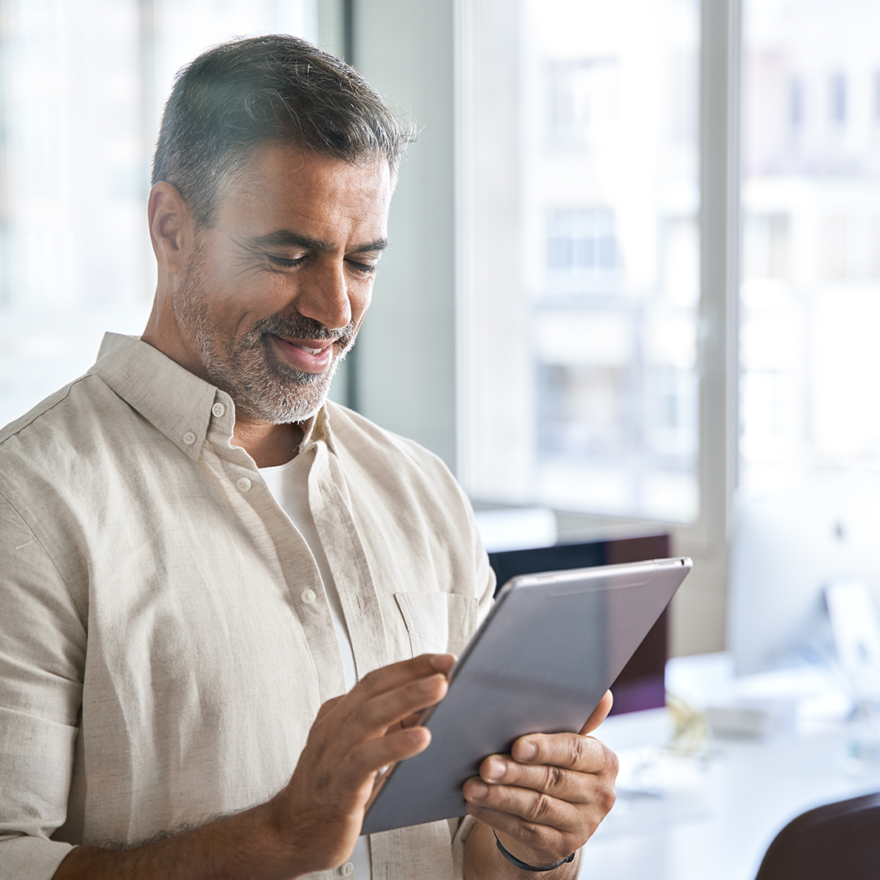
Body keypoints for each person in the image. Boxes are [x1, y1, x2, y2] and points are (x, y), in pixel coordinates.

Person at [0, 35, 617, 880]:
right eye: (290, 255)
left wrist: (532, 843)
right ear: (171, 229)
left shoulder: (423, 492)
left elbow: (473, 853)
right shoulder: (27, 505)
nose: (334, 307)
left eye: (362, 261)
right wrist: (276, 840)